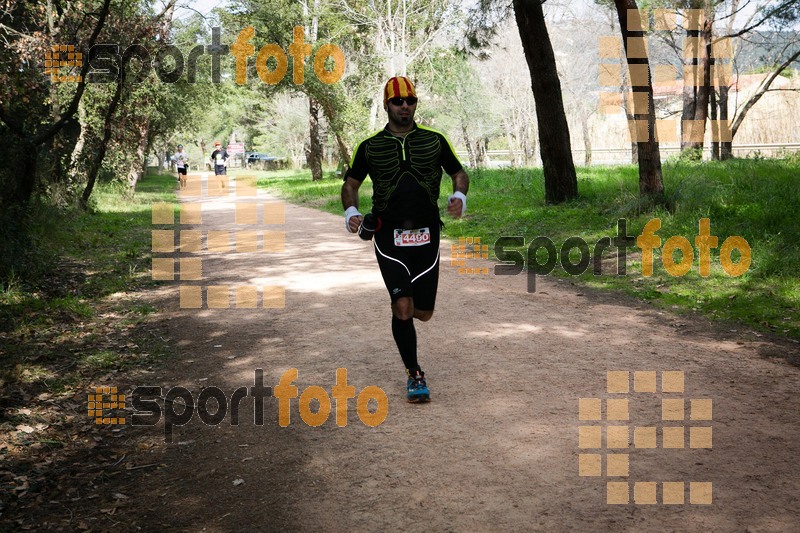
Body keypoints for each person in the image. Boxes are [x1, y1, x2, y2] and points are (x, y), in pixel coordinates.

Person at [341, 76, 469, 403]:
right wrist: (350, 212)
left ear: (415, 104)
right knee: (402, 306)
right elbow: (351, 184)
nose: (405, 106)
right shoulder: (370, 147)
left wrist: (459, 196)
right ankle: (415, 374)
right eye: (398, 101)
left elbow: (459, 173)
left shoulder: (434, 140)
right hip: (388, 236)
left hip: (427, 236)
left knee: (422, 312)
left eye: (410, 101)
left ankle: (408, 318)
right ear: (387, 105)